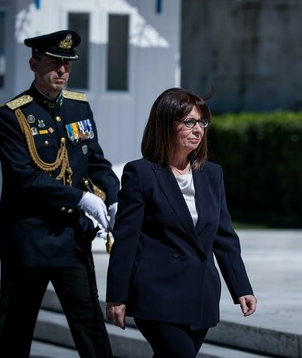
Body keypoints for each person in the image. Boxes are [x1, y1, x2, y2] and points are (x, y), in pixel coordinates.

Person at [0, 30, 120, 357]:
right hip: (28, 241)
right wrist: (81, 198)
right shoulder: (11, 115)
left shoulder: (79, 107)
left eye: (67, 64)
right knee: (15, 331)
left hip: (71, 240)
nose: (61, 71)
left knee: (91, 327)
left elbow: (95, 161)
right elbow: (25, 178)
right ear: (34, 64)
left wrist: (115, 197)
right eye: (54, 63)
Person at [105, 88, 257, 357]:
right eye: (189, 122)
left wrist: (241, 287)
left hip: (201, 297)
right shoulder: (140, 173)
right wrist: (117, 296)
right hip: (158, 297)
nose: (198, 130)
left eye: (202, 122)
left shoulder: (212, 174)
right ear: (165, 124)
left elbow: (223, 237)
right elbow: (126, 239)